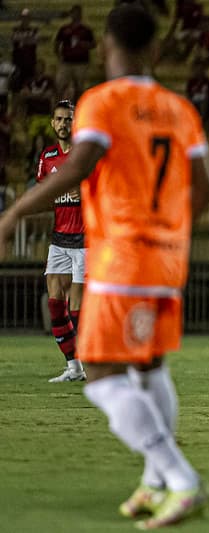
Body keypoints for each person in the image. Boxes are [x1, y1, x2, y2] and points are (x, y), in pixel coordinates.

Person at [0, 4, 209, 528]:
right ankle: (154, 480)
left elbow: (79, 164)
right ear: (158, 49)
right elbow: (207, 188)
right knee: (147, 367)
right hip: (167, 258)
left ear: (105, 45)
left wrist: (12, 213)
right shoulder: (178, 108)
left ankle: (182, 479)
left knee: (98, 374)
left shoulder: (101, 102)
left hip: (122, 256)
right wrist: (165, 229)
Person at [35, 99, 87, 382]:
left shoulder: (86, 155)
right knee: (55, 304)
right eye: (59, 119)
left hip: (85, 239)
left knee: (78, 309)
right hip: (59, 239)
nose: (64, 124)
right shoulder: (48, 157)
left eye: (69, 119)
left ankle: (105, 365)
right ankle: (74, 369)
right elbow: (44, 194)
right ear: (53, 123)